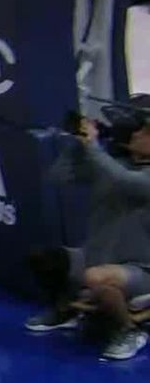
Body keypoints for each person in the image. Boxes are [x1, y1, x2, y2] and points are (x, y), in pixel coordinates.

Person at [24, 116, 150, 361]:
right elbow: (58, 176)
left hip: (141, 270)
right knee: (44, 259)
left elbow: (124, 181)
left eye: (145, 132)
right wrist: (77, 143)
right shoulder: (112, 165)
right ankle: (66, 311)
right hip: (97, 255)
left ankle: (129, 332)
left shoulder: (129, 175)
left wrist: (92, 146)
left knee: (97, 279)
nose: (136, 134)